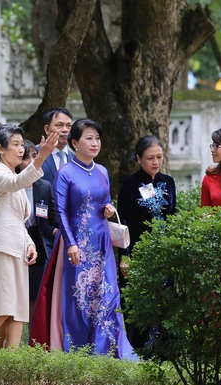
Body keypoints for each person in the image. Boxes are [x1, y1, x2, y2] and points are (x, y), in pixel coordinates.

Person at [30, 118, 138, 361]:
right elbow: (61, 212)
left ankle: (107, 350)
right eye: (89, 138)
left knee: (107, 295)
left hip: (102, 245)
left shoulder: (102, 171)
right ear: (74, 143)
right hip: (76, 245)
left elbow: (105, 201)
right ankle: (77, 350)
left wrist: (108, 208)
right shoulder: (65, 172)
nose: (95, 143)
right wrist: (71, 243)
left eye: (97, 138)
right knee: (79, 298)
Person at [0, 124, 58, 348]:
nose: (21, 149)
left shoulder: (13, 175)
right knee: (2, 309)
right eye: (15, 144)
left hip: (18, 249)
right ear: (1, 148)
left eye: (22, 144)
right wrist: (41, 157)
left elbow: (18, 220)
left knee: (18, 312)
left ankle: (10, 366)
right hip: (0, 247)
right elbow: (17, 183)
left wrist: (30, 243)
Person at [116, 135, 177, 348]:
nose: (155, 162)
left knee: (164, 302)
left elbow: (173, 216)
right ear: (139, 158)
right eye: (150, 158)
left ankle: (163, 351)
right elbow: (122, 222)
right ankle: (139, 351)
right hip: (138, 254)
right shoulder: (130, 184)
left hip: (163, 254)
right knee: (138, 304)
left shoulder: (168, 183)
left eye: (159, 157)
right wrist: (125, 255)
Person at [39, 107, 74, 186]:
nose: (65, 130)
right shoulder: (34, 154)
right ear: (47, 129)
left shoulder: (75, 158)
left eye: (69, 126)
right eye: (59, 125)